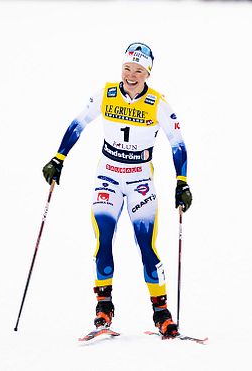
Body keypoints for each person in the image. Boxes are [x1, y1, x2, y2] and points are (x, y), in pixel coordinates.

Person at [42, 43, 192, 337]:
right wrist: (58, 158)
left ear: (147, 73)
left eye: (138, 70)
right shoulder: (107, 94)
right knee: (104, 240)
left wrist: (182, 181)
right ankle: (103, 308)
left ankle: (161, 313)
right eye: (127, 68)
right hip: (107, 177)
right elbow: (78, 124)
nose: (131, 75)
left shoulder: (158, 103)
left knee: (146, 246)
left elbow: (178, 144)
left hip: (140, 181)